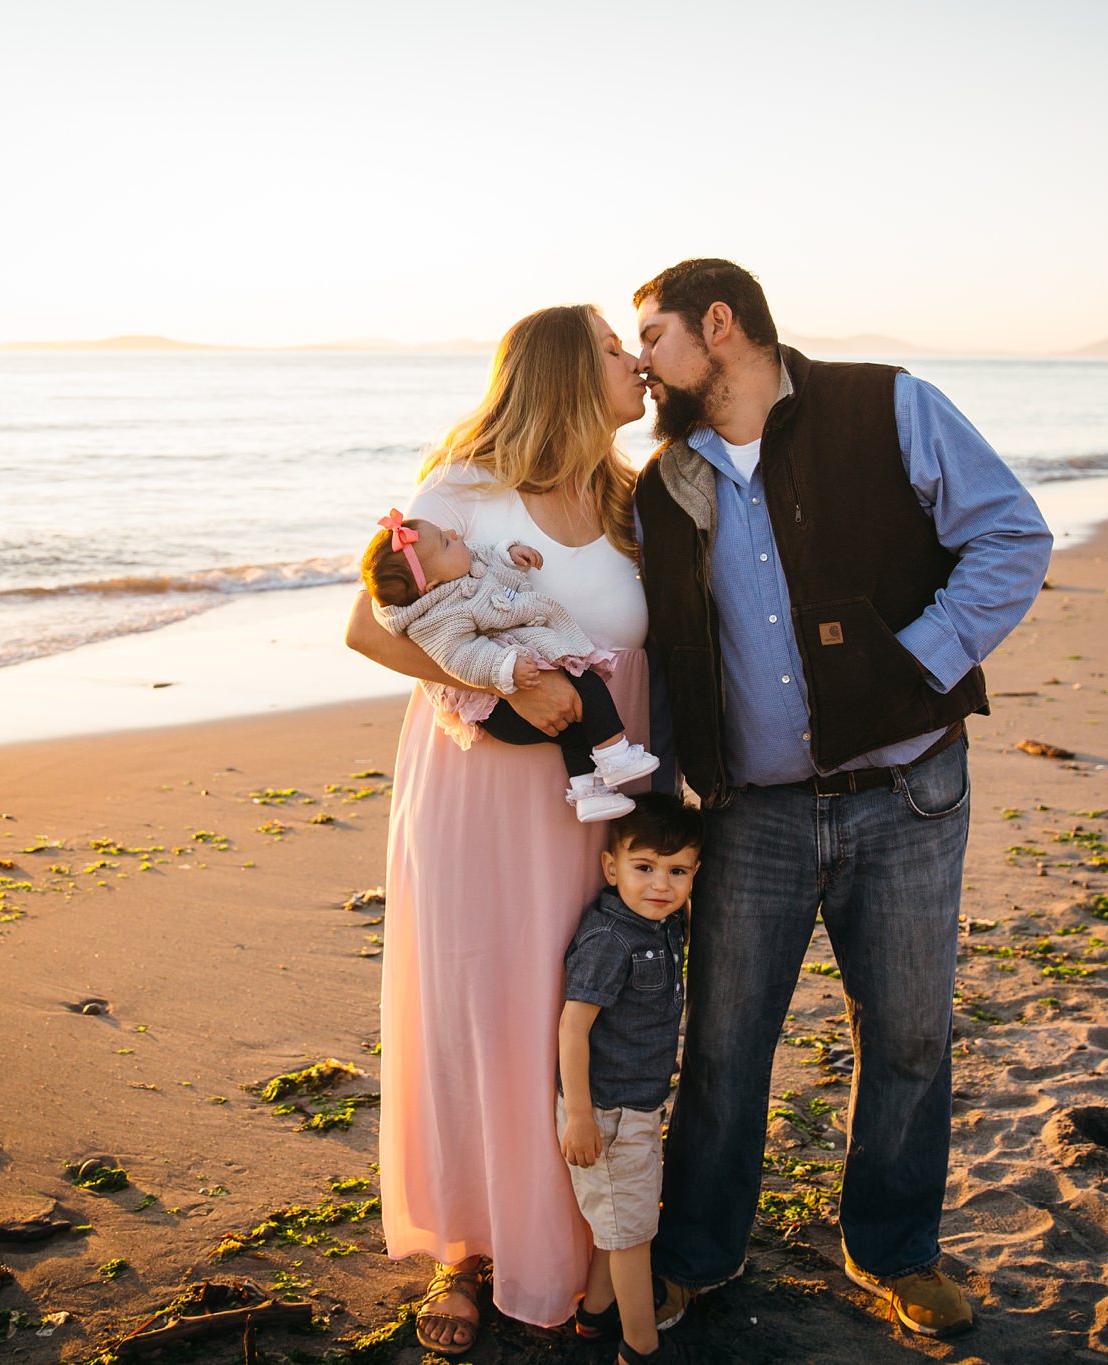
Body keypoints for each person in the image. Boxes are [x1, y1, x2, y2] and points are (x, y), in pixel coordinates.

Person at [630, 259, 1053, 1338]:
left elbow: (1011, 534)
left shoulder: (889, 403)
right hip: (750, 814)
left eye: (653, 334)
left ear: (718, 325)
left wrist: (914, 662)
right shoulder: (663, 482)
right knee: (724, 1046)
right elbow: (671, 653)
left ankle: (895, 1251)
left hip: (906, 790)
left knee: (908, 1035)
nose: (641, 361)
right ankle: (695, 1255)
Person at [344, 303, 653, 1354]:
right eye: (618, 349)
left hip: (600, 797)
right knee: (485, 1003)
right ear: (569, 372)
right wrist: (507, 688)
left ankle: (589, 1239)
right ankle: (469, 1248)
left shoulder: (627, 500)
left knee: (586, 1007)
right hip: (485, 792)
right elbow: (366, 627)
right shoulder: (461, 491)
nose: (639, 363)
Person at [359, 510, 658, 820]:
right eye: (446, 542)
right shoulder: (439, 618)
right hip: (500, 702)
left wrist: (508, 554)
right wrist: (505, 667)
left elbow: (483, 555)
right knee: (587, 685)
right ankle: (615, 756)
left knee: (573, 732)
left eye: (446, 533)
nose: (454, 533)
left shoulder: (459, 566)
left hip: (518, 669)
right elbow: (460, 657)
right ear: (432, 586)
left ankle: (589, 793)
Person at [556, 793, 703, 1365]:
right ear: (611, 867)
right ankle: (641, 1347)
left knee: (621, 1222)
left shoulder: (660, 924)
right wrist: (582, 1117)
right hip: (608, 1115)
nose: (660, 884)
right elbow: (573, 1028)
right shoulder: (610, 940)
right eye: (644, 868)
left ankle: (594, 1316)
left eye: (677, 871)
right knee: (634, 1236)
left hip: (638, 1106)